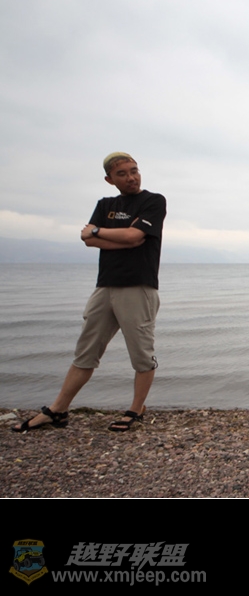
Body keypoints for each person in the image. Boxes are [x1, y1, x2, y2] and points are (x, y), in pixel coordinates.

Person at [13, 152, 166, 433]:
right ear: (110, 179)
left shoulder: (153, 201)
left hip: (138, 287)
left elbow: (133, 236)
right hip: (105, 286)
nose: (131, 177)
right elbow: (88, 240)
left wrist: (101, 232)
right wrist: (110, 236)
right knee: (86, 351)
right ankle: (58, 410)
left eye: (134, 171)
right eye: (122, 174)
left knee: (141, 355)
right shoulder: (105, 204)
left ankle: (135, 410)